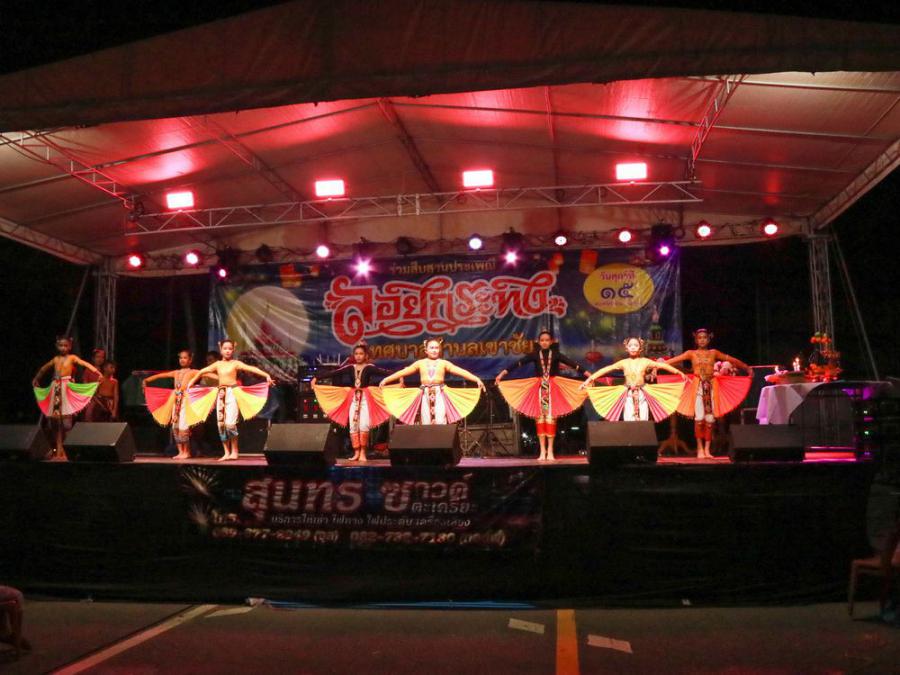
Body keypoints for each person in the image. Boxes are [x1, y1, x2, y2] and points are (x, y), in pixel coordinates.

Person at [495, 330, 590, 461]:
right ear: (539, 342)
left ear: (551, 342)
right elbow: (518, 363)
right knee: (540, 419)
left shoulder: (556, 354)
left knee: (550, 418)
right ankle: (542, 451)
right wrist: (502, 374)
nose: (544, 342)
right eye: (542, 340)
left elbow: (573, 364)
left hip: (553, 389)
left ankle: (550, 451)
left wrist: (589, 375)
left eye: (547, 340)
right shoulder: (535, 354)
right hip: (539, 389)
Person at [665, 329, 753, 458]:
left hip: (711, 386)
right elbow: (672, 361)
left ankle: (707, 449)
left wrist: (746, 367)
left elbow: (731, 359)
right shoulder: (691, 353)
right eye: (699, 338)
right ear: (696, 340)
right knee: (699, 418)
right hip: (697, 387)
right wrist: (656, 365)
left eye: (704, 337)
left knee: (710, 419)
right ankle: (699, 448)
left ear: (708, 339)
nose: (702, 340)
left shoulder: (713, 353)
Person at [185, 339, 274, 461]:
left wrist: (267, 375)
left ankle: (234, 451)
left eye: (230, 349)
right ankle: (226, 452)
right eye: (225, 348)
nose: (227, 351)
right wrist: (191, 382)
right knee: (221, 425)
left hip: (232, 392)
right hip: (221, 393)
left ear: (233, 350)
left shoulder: (235, 363)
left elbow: (252, 368)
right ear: (221, 349)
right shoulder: (217, 364)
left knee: (230, 424)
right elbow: (202, 371)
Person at [312, 343, 391, 462]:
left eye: (361, 354)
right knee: (353, 425)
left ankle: (363, 452)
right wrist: (317, 378)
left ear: (365, 355)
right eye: (356, 354)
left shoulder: (369, 368)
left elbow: (385, 372)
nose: (358, 356)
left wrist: (399, 376)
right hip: (353, 398)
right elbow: (334, 372)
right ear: (353, 355)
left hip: (365, 399)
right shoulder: (350, 368)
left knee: (363, 425)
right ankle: (356, 452)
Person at [379, 338, 485, 425]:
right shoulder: (420, 363)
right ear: (426, 350)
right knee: (426, 421)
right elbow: (403, 372)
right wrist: (386, 379)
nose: (434, 350)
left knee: (440, 420)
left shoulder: (443, 363)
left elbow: (461, 371)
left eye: (436, 348)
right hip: (424, 393)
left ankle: (442, 444)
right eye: (432, 348)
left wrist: (476, 379)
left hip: (440, 393)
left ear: (440, 350)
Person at [581, 337, 687, 422]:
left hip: (642, 392)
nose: (633, 347)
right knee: (629, 418)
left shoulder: (645, 361)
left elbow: (662, 365)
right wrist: (589, 379)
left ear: (640, 348)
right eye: (630, 345)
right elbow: (606, 369)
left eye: (636, 345)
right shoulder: (623, 363)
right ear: (626, 348)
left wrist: (679, 372)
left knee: (643, 417)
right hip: (627, 393)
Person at [32, 336, 103, 459]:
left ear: (70, 347)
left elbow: (84, 363)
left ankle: (68, 449)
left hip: (66, 388)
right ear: (57, 346)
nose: (63, 348)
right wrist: (36, 378)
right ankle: (58, 449)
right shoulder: (56, 359)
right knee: (55, 423)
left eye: (66, 345)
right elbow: (43, 369)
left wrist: (97, 373)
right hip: (56, 388)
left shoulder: (72, 357)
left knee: (66, 424)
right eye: (61, 345)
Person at [142, 350, 203, 460]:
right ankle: (180, 452)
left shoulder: (193, 372)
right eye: (181, 358)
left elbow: (207, 373)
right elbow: (161, 375)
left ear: (190, 360)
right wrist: (146, 380)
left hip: (185, 401)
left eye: (185, 358)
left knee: (183, 427)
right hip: (175, 400)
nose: (182, 360)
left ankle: (187, 452)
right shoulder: (176, 372)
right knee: (175, 427)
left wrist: (222, 379)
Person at [81, 347, 107, 421]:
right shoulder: (88, 370)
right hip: (91, 397)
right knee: (90, 413)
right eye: (98, 357)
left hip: (102, 398)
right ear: (93, 358)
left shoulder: (104, 371)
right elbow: (85, 386)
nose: (100, 359)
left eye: (102, 357)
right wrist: (94, 397)